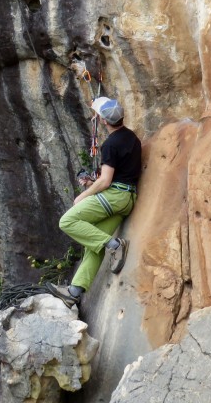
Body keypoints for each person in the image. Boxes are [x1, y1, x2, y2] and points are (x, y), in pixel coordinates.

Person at [53, 97, 143, 306]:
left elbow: (106, 181)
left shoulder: (110, 144)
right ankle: (74, 292)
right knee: (94, 244)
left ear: (103, 121)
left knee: (66, 221)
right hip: (127, 199)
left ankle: (114, 244)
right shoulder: (132, 138)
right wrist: (92, 181)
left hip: (115, 196)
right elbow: (119, 175)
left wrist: (83, 195)